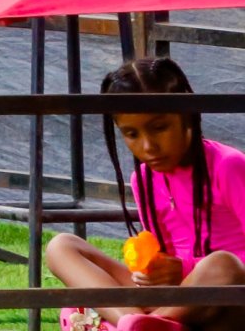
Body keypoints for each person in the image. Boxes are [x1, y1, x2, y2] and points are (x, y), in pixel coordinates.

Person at [47, 58, 245, 331]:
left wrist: (186, 268)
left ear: (187, 116)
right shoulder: (142, 180)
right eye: (131, 134)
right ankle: (134, 322)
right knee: (62, 247)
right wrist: (150, 272)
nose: (148, 146)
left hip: (227, 298)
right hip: (174, 298)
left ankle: (139, 323)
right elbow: (163, 255)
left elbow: (219, 273)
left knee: (222, 265)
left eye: (159, 128)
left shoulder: (228, 166)